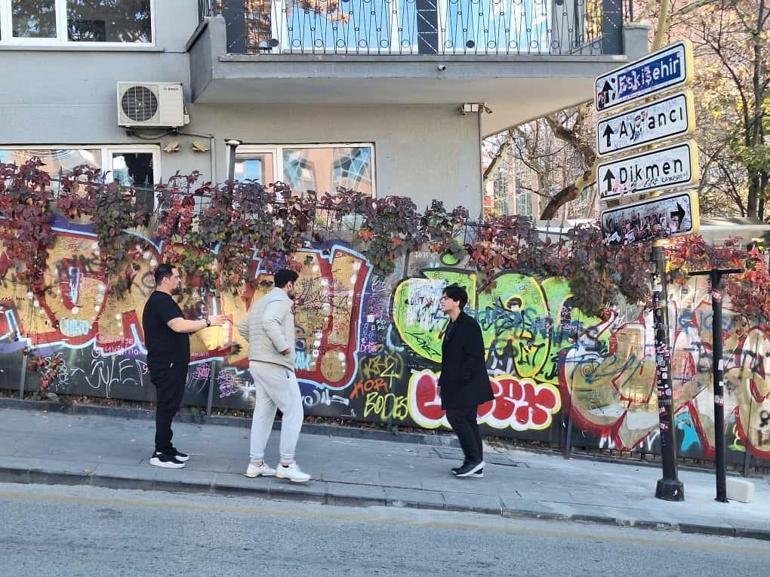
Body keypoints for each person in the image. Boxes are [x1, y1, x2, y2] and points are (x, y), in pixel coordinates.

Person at [142, 264, 226, 469]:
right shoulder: (160, 301)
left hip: (172, 364)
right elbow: (178, 325)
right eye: (176, 277)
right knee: (166, 406)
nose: (179, 280)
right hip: (166, 364)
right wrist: (208, 322)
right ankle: (160, 453)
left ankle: (167, 447)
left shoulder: (164, 300)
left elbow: (176, 326)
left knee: (170, 406)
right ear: (165, 280)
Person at [239, 269, 310, 483]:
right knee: (294, 411)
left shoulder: (263, 301)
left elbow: (243, 327)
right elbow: (270, 321)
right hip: (276, 365)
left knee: (264, 412)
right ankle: (286, 464)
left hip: (258, 363)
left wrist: (260, 347)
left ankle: (256, 463)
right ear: (289, 285)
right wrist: (283, 347)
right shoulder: (281, 300)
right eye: (294, 285)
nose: (295, 290)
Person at [438, 284, 494, 478]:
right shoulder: (452, 324)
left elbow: (475, 356)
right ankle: (476, 463)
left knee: (456, 416)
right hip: (458, 382)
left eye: (446, 298)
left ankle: (474, 460)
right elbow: (449, 358)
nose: (442, 301)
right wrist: (442, 382)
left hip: (468, 384)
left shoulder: (468, 325)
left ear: (457, 302)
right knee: (468, 419)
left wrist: (459, 380)